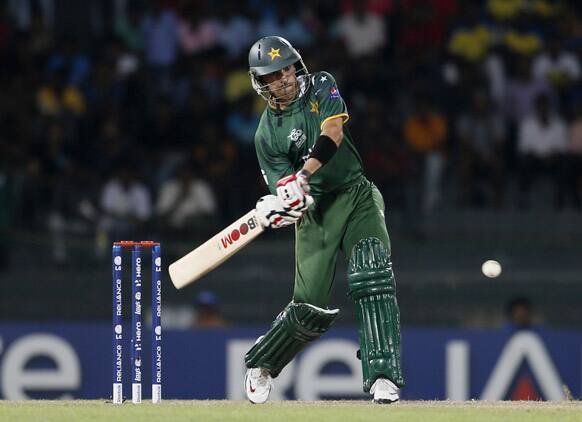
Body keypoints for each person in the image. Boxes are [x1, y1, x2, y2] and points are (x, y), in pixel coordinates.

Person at [243, 36, 404, 405]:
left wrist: (304, 173)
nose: (284, 78)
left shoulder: (320, 85)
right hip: (317, 213)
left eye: (286, 69)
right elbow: (288, 196)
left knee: (373, 274)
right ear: (261, 83)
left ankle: (382, 376)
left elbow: (333, 134)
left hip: (357, 193)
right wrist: (286, 205)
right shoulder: (266, 136)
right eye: (273, 75)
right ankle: (263, 362)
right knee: (309, 306)